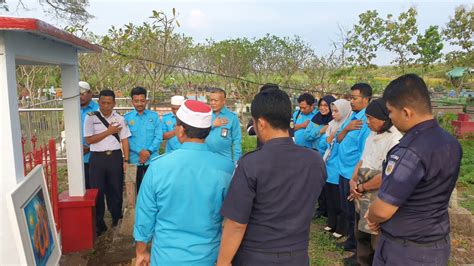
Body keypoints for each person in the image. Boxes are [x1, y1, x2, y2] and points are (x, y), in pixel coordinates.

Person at [217, 88, 326, 266]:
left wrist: (223, 261)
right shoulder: (315, 160)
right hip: (297, 255)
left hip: (256, 255)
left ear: (260, 123)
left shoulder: (251, 164)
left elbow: (236, 224)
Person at [365, 74, 462, 265]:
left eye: (391, 112)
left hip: (405, 249)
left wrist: (373, 215)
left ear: (407, 112)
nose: (390, 118)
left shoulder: (409, 151)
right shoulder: (450, 142)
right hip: (436, 242)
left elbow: (383, 210)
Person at [134, 100, 234, 265]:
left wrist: (141, 251)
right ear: (208, 131)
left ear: (180, 130)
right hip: (208, 257)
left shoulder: (158, 167)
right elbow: (233, 218)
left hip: (166, 258)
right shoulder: (226, 168)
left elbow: (145, 214)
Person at [347, 98, 402, 266]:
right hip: (361, 189)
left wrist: (362, 187)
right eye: (367, 117)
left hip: (377, 192)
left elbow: (387, 175)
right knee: (361, 230)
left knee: (375, 233)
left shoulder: (395, 140)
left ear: (384, 118)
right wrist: (353, 180)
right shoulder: (372, 134)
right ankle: (361, 260)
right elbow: (362, 160)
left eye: (371, 118)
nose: (367, 121)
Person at [84, 89, 131, 235]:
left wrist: (126, 160)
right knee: (97, 191)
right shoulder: (90, 117)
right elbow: (89, 140)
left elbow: (124, 140)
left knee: (115, 189)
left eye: (109, 103)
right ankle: (99, 223)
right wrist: (109, 131)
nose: (105, 106)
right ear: (99, 102)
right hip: (97, 158)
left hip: (115, 157)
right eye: (103, 102)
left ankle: (117, 218)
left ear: (114, 103)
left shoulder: (120, 119)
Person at [335, 83, 372, 252]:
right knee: (346, 209)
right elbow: (339, 138)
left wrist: (356, 176)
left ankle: (355, 245)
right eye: (350, 98)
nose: (351, 101)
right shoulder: (352, 117)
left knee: (353, 212)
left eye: (354, 98)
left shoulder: (366, 121)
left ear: (366, 99)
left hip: (352, 173)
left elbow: (364, 152)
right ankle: (351, 241)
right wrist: (347, 128)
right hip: (342, 170)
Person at [321, 99, 352, 239]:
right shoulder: (332, 125)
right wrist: (330, 138)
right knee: (330, 199)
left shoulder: (346, 127)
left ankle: (341, 227)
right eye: (332, 110)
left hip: (338, 168)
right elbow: (323, 143)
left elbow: (340, 147)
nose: (333, 114)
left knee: (339, 200)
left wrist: (333, 138)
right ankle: (331, 222)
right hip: (328, 167)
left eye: (336, 111)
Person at [124, 87, 163, 194]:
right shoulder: (127, 118)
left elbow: (158, 136)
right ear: (132, 102)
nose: (139, 104)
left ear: (146, 100)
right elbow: (126, 139)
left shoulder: (154, 116)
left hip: (152, 160)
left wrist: (148, 152)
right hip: (135, 161)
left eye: (142, 101)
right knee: (136, 190)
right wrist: (140, 151)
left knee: (154, 189)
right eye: (136, 101)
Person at [304, 95, 337, 219]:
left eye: (326, 105)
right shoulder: (315, 119)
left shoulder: (335, 121)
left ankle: (330, 210)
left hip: (330, 158)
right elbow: (307, 136)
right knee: (318, 184)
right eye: (321, 105)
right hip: (316, 156)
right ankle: (321, 208)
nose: (323, 108)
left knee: (329, 184)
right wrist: (321, 131)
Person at [205, 88, 242, 163]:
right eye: (211, 100)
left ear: (224, 101)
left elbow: (237, 140)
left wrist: (236, 161)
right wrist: (213, 125)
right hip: (206, 159)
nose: (213, 103)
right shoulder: (205, 115)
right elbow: (198, 133)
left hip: (225, 159)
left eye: (216, 100)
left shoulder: (232, 117)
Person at [79, 81, 99, 189]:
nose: (80, 97)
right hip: (77, 157)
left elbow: (104, 133)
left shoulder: (98, 110)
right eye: (78, 94)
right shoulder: (73, 109)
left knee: (95, 187)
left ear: (90, 93)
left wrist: (89, 148)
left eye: (82, 93)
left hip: (95, 156)